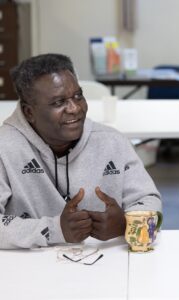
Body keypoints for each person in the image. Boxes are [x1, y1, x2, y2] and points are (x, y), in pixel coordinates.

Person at [0, 53, 162, 249]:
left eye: (78, 95)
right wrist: (55, 229)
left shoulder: (112, 141)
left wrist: (127, 225)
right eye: (59, 103)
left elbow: (148, 199)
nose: (75, 108)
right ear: (29, 112)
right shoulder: (5, 147)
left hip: (107, 265)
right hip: (28, 270)